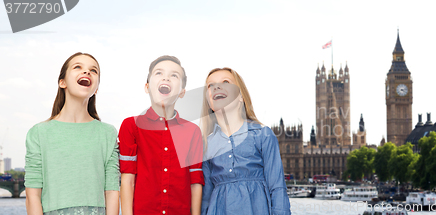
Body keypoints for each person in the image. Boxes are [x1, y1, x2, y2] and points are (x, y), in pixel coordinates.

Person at [24, 52, 120, 215]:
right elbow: (32, 195)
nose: (87, 72)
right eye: (78, 67)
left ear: (96, 88)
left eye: (93, 70)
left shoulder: (107, 133)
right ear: (62, 82)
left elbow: (111, 192)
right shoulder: (38, 133)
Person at [119, 55, 204, 215]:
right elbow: (127, 179)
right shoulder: (131, 126)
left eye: (174, 75)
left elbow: (195, 181)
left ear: (182, 92)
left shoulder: (192, 131)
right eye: (159, 73)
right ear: (147, 87)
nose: (166, 77)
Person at [200, 67, 291, 215]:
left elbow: (277, 187)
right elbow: (206, 197)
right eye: (210, 85)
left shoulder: (263, 135)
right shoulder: (206, 145)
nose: (217, 87)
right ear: (209, 102)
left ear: (241, 96)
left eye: (225, 82)